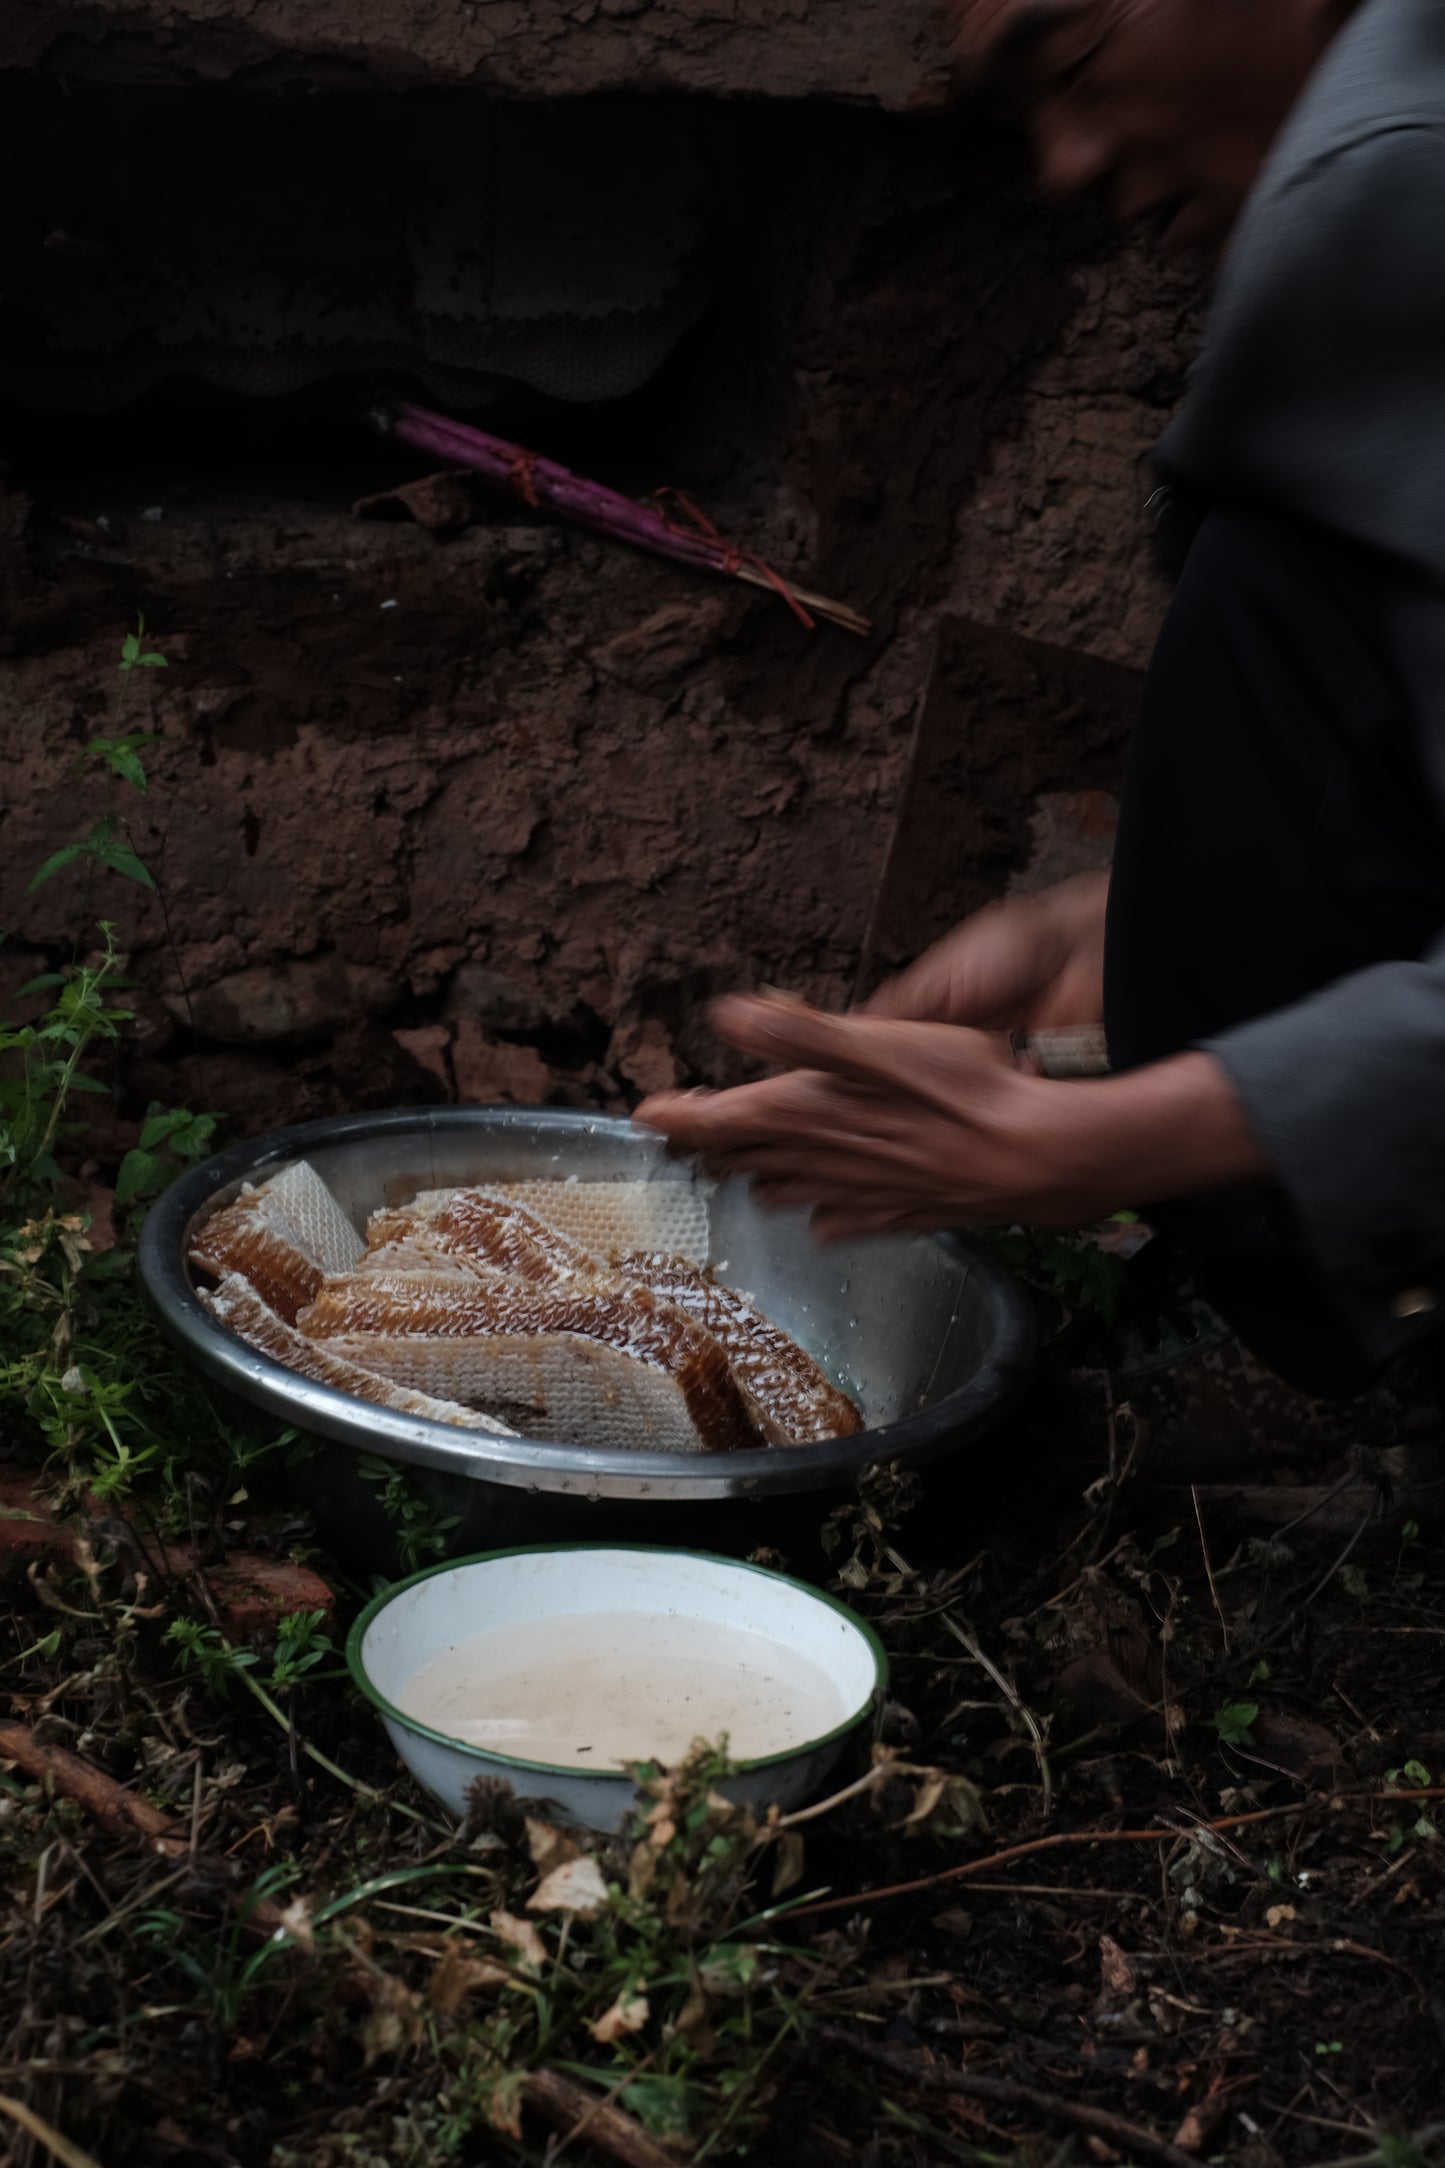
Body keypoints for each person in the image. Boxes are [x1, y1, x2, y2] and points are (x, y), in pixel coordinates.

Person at [636, 0, 1445, 1465]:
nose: (1062, 163)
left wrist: (1091, 1145)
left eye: (1069, 61)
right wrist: (1142, 929)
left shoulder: (1403, 187)